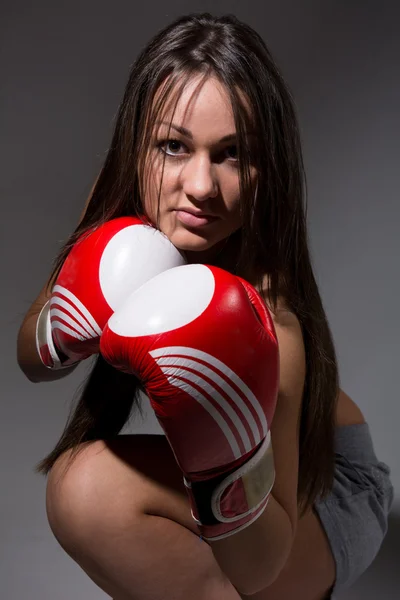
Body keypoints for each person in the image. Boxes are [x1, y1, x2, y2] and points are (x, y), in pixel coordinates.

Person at [17, 12, 394, 600]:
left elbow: (259, 564)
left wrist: (225, 467)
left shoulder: (273, 319)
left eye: (232, 155)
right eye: (173, 146)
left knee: (87, 491)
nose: (200, 186)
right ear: (136, 146)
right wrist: (64, 324)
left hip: (325, 491)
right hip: (272, 498)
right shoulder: (117, 229)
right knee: (82, 488)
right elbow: (32, 358)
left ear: (268, 169)